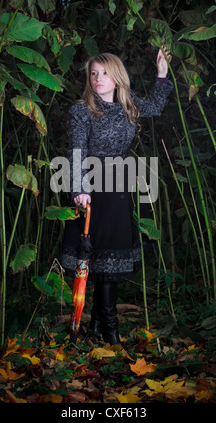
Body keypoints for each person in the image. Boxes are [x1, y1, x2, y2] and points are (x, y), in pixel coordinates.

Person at [61, 49, 173, 345]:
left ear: (117, 76)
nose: (98, 78)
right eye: (93, 73)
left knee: (109, 258)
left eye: (104, 73)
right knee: (94, 256)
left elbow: (155, 106)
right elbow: (76, 151)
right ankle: (109, 329)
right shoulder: (81, 110)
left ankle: (101, 323)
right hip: (91, 189)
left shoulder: (129, 105)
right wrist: (78, 189)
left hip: (119, 188)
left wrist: (161, 73)